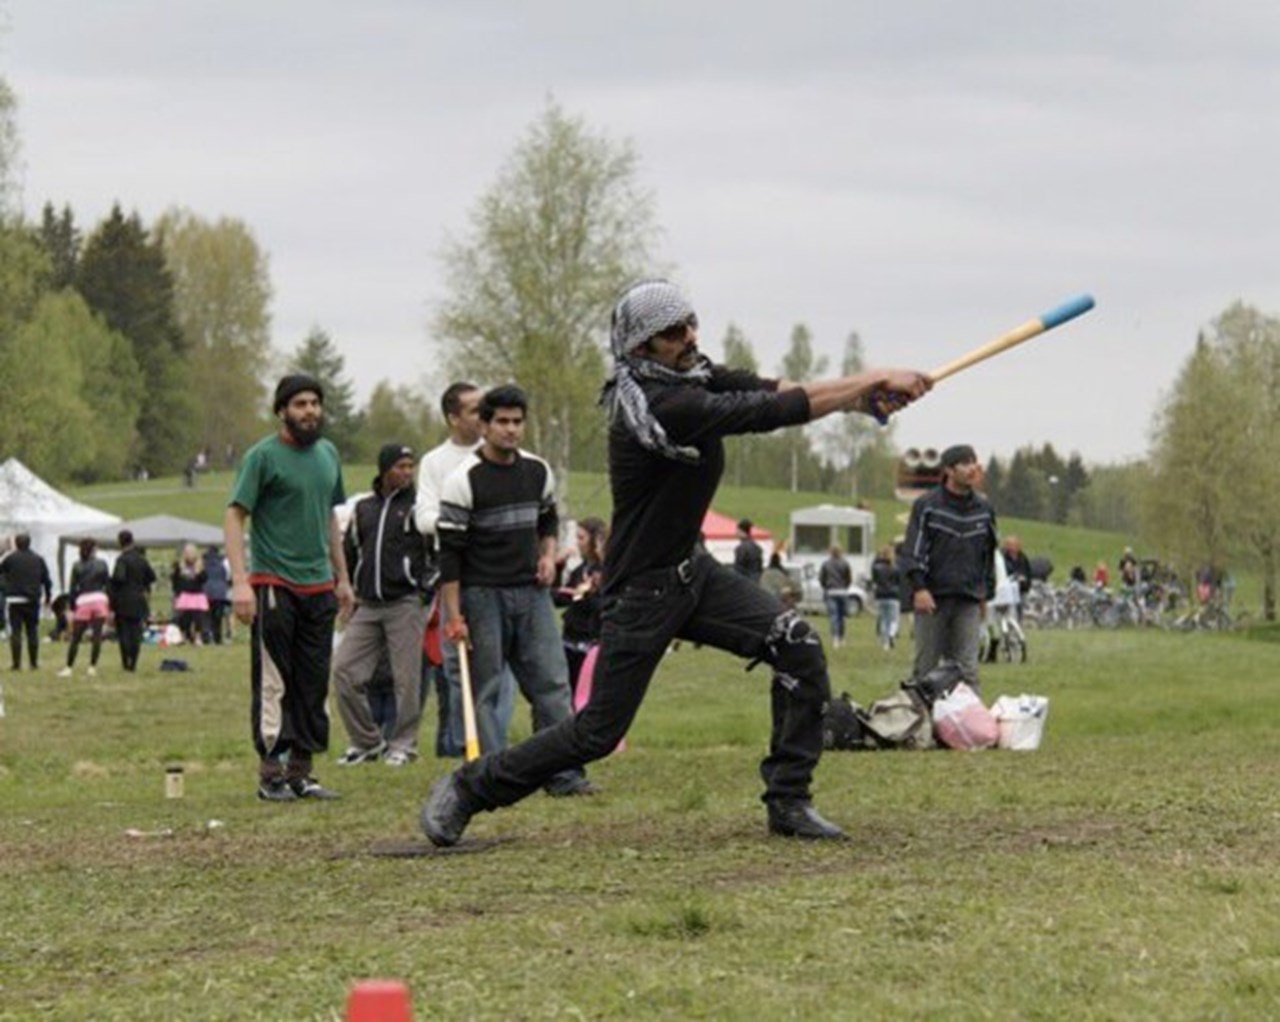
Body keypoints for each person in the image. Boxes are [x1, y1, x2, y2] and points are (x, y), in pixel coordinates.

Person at [419, 277, 931, 847]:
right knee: (595, 733)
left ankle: (789, 799)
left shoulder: (693, 373)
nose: (689, 336)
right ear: (641, 347)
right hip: (643, 589)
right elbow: (772, 410)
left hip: (693, 573)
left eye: (690, 322)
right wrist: (874, 377)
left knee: (798, 645)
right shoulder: (665, 405)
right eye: (672, 331)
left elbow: (781, 387)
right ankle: (468, 787)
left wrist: (860, 402)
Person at [436, 384, 594, 796]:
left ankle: (565, 774)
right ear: (484, 426)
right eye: (501, 422)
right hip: (480, 596)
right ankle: (492, 777)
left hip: (531, 593)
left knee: (552, 684)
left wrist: (546, 556)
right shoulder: (462, 481)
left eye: (517, 422)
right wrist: (454, 616)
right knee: (485, 690)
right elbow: (449, 557)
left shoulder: (537, 471)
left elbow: (547, 521)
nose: (510, 430)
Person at [224, 373, 354, 802]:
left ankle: (303, 772)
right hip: (273, 583)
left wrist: (344, 578)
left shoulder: (328, 455)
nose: (310, 411)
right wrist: (241, 582)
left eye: (315, 403)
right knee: (275, 680)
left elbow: (330, 519)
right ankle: (271, 773)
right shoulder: (263, 457)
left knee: (314, 681)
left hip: (320, 585)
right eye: (300, 404)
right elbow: (234, 515)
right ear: (282, 411)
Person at [416, 382, 517, 757]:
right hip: (455, 574)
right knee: (458, 669)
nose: (484, 414)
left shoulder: (502, 455)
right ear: (453, 417)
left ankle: (496, 747)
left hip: (499, 573)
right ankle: (467, 747)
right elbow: (424, 517)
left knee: (499, 665)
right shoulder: (434, 463)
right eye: (475, 410)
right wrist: (460, 520)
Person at [331, 443, 431, 768]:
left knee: (406, 679)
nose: (406, 472)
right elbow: (349, 552)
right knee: (344, 670)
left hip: (405, 602)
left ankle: (403, 744)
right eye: (400, 466)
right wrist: (344, 586)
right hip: (367, 605)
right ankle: (367, 742)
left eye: (410, 466)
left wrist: (425, 588)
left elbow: (440, 552)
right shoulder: (364, 509)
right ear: (384, 468)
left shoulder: (419, 507)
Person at [900, 444, 997, 693]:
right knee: (926, 670)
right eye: (964, 463)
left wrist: (985, 592)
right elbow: (913, 549)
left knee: (968, 670)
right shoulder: (927, 505)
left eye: (973, 462)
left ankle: (970, 730)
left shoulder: (984, 509)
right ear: (949, 471)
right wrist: (919, 588)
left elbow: (987, 553)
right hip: (932, 598)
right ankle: (921, 727)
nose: (972, 468)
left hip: (968, 599)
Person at [555, 516, 608, 695]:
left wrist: (590, 594)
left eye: (581, 538)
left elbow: (603, 607)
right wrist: (558, 567)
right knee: (566, 692)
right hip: (570, 640)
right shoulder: (583, 568)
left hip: (590, 643)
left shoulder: (606, 573)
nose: (578, 543)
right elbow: (559, 599)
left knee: (585, 694)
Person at [58, 538, 112, 678]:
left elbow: (72, 588)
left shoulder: (77, 565)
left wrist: (71, 607)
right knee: (97, 636)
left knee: (76, 637)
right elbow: (108, 584)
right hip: (100, 599)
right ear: (94, 549)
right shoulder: (102, 564)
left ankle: (69, 667)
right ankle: (92, 667)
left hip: (84, 600)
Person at [0, 533, 53, 670]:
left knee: (16, 631)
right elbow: (46, 580)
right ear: (30, 543)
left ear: (16, 544)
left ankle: (16, 664)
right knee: (32, 631)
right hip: (32, 599)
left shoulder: (10, 559)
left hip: (14, 599)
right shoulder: (38, 559)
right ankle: (33, 663)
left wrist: (5, 587)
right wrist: (48, 597)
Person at [109, 529, 156, 672]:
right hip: (139, 599)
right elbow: (152, 577)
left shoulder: (122, 559)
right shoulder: (141, 559)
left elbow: (119, 578)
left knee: (123, 632)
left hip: (123, 600)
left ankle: (125, 661)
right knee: (136, 632)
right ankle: (133, 663)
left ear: (120, 542)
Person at [170, 543, 209, 645]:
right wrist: (177, 593)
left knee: (198, 618)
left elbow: (204, 579)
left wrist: (198, 572)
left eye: (192, 552)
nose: (190, 555)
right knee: (184, 617)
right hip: (185, 595)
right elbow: (175, 580)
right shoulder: (180, 566)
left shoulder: (200, 566)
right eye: (187, 553)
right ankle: (183, 637)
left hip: (197, 595)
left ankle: (198, 637)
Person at [818, 545, 853, 649]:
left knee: (834, 616)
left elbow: (821, 578)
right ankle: (842, 637)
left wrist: (826, 587)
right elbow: (849, 578)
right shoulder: (845, 563)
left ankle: (835, 638)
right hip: (842, 591)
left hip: (831, 591)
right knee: (841, 616)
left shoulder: (826, 564)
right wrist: (845, 587)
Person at [870, 545, 900, 652]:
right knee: (894, 619)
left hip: (880, 595)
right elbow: (898, 582)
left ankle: (885, 643)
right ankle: (892, 634)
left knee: (883, 620)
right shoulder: (896, 568)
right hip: (893, 595)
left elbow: (874, 581)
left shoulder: (876, 568)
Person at [203, 545, 232, 644]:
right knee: (218, 617)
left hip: (207, 593)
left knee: (207, 616)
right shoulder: (223, 563)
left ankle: (207, 637)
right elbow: (228, 577)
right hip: (220, 593)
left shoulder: (204, 563)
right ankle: (218, 638)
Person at [1001, 535, 1033, 622]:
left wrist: (1026, 583)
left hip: (1021, 589)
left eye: (1013, 545)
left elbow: (1028, 572)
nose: (1011, 547)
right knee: (1008, 611)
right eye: (1009, 545)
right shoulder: (1002, 557)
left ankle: (1018, 626)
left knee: (1019, 610)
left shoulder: (1023, 558)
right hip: (1007, 590)